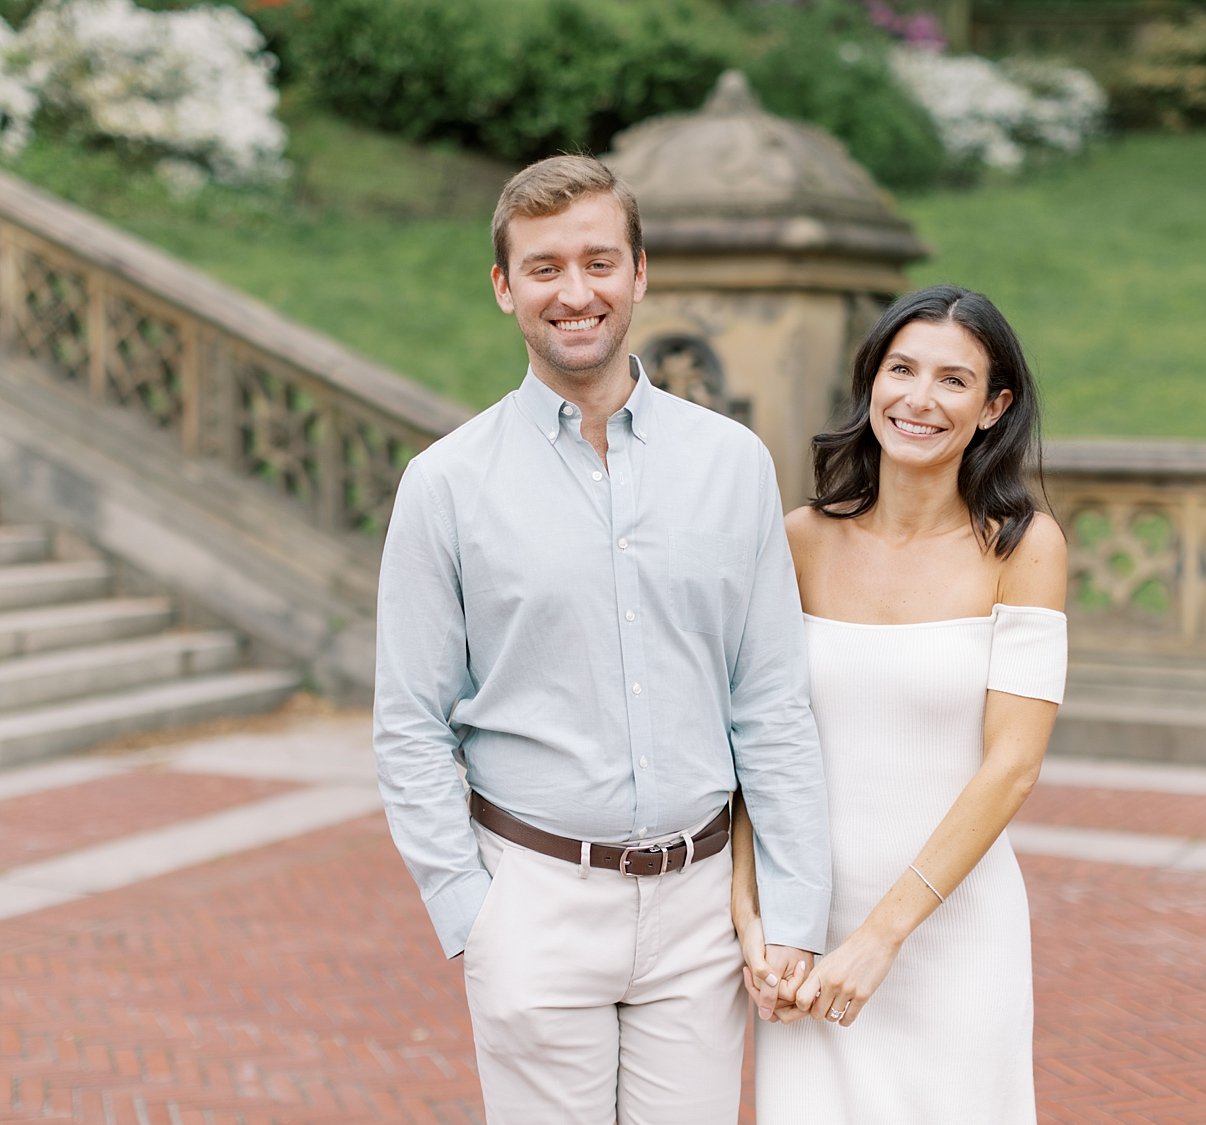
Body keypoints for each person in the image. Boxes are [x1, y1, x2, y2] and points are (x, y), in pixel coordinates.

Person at [372, 154, 831, 1124]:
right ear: (504, 287)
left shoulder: (733, 466)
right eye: (544, 268)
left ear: (639, 272)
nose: (574, 293)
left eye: (598, 262)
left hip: (702, 908)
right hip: (532, 899)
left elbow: (771, 701)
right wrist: (471, 912)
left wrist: (794, 908)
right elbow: (410, 722)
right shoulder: (447, 484)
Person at [735, 284, 1067, 1124]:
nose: (919, 398)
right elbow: (755, 743)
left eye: (953, 381)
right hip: (807, 930)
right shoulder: (799, 538)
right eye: (902, 369)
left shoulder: (1023, 548)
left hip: (951, 932)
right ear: (871, 383)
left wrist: (882, 935)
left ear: (994, 407)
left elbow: (1013, 765)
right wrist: (753, 915)